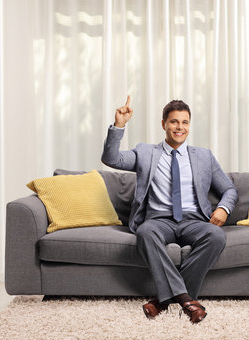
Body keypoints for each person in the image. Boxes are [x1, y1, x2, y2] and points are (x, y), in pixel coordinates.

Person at [101, 95, 238, 324]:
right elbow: (111, 158)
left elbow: (229, 189)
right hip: (158, 219)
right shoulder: (145, 152)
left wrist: (223, 208)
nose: (179, 127)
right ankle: (186, 300)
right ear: (163, 124)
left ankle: (162, 301)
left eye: (184, 122)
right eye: (174, 122)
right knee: (145, 233)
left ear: (189, 125)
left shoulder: (204, 156)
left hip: (193, 220)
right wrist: (119, 125)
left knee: (215, 236)